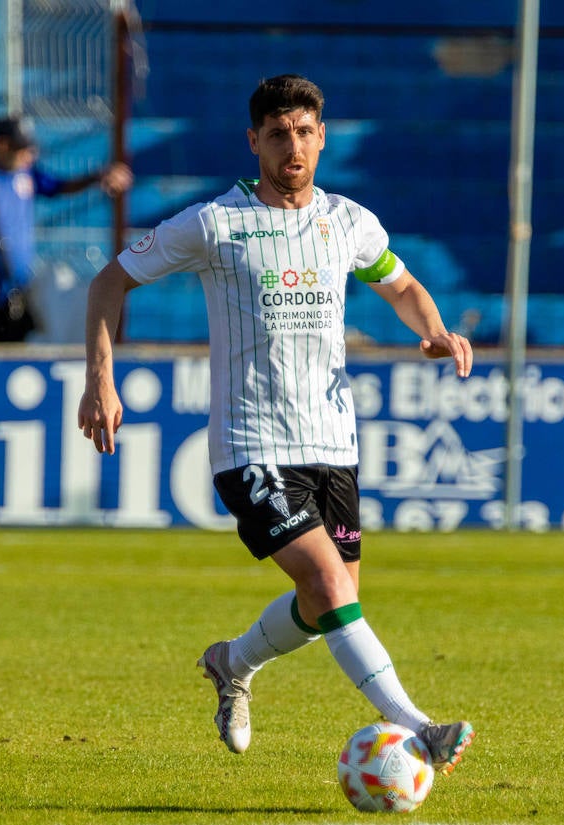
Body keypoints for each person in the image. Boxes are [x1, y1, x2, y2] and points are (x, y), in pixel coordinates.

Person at [77, 74, 477, 774]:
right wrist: (100, 381)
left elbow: (401, 284)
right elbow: (110, 281)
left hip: (333, 441)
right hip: (251, 443)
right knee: (327, 587)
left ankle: (230, 663)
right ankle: (417, 726)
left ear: (321, 138)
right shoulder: (213, 224)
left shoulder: (348, 222)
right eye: (278, 134)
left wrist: (436, 330)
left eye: (305, 132)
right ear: (254, 140)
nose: (293, 146)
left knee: (331, 599)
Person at [0, 114, 134, 343]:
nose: (30, 156)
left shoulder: (26, 173)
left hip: (16, 297)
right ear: (1, 146)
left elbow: (58, 186)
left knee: (15, 368)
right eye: (23, 149)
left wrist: (97, 177)